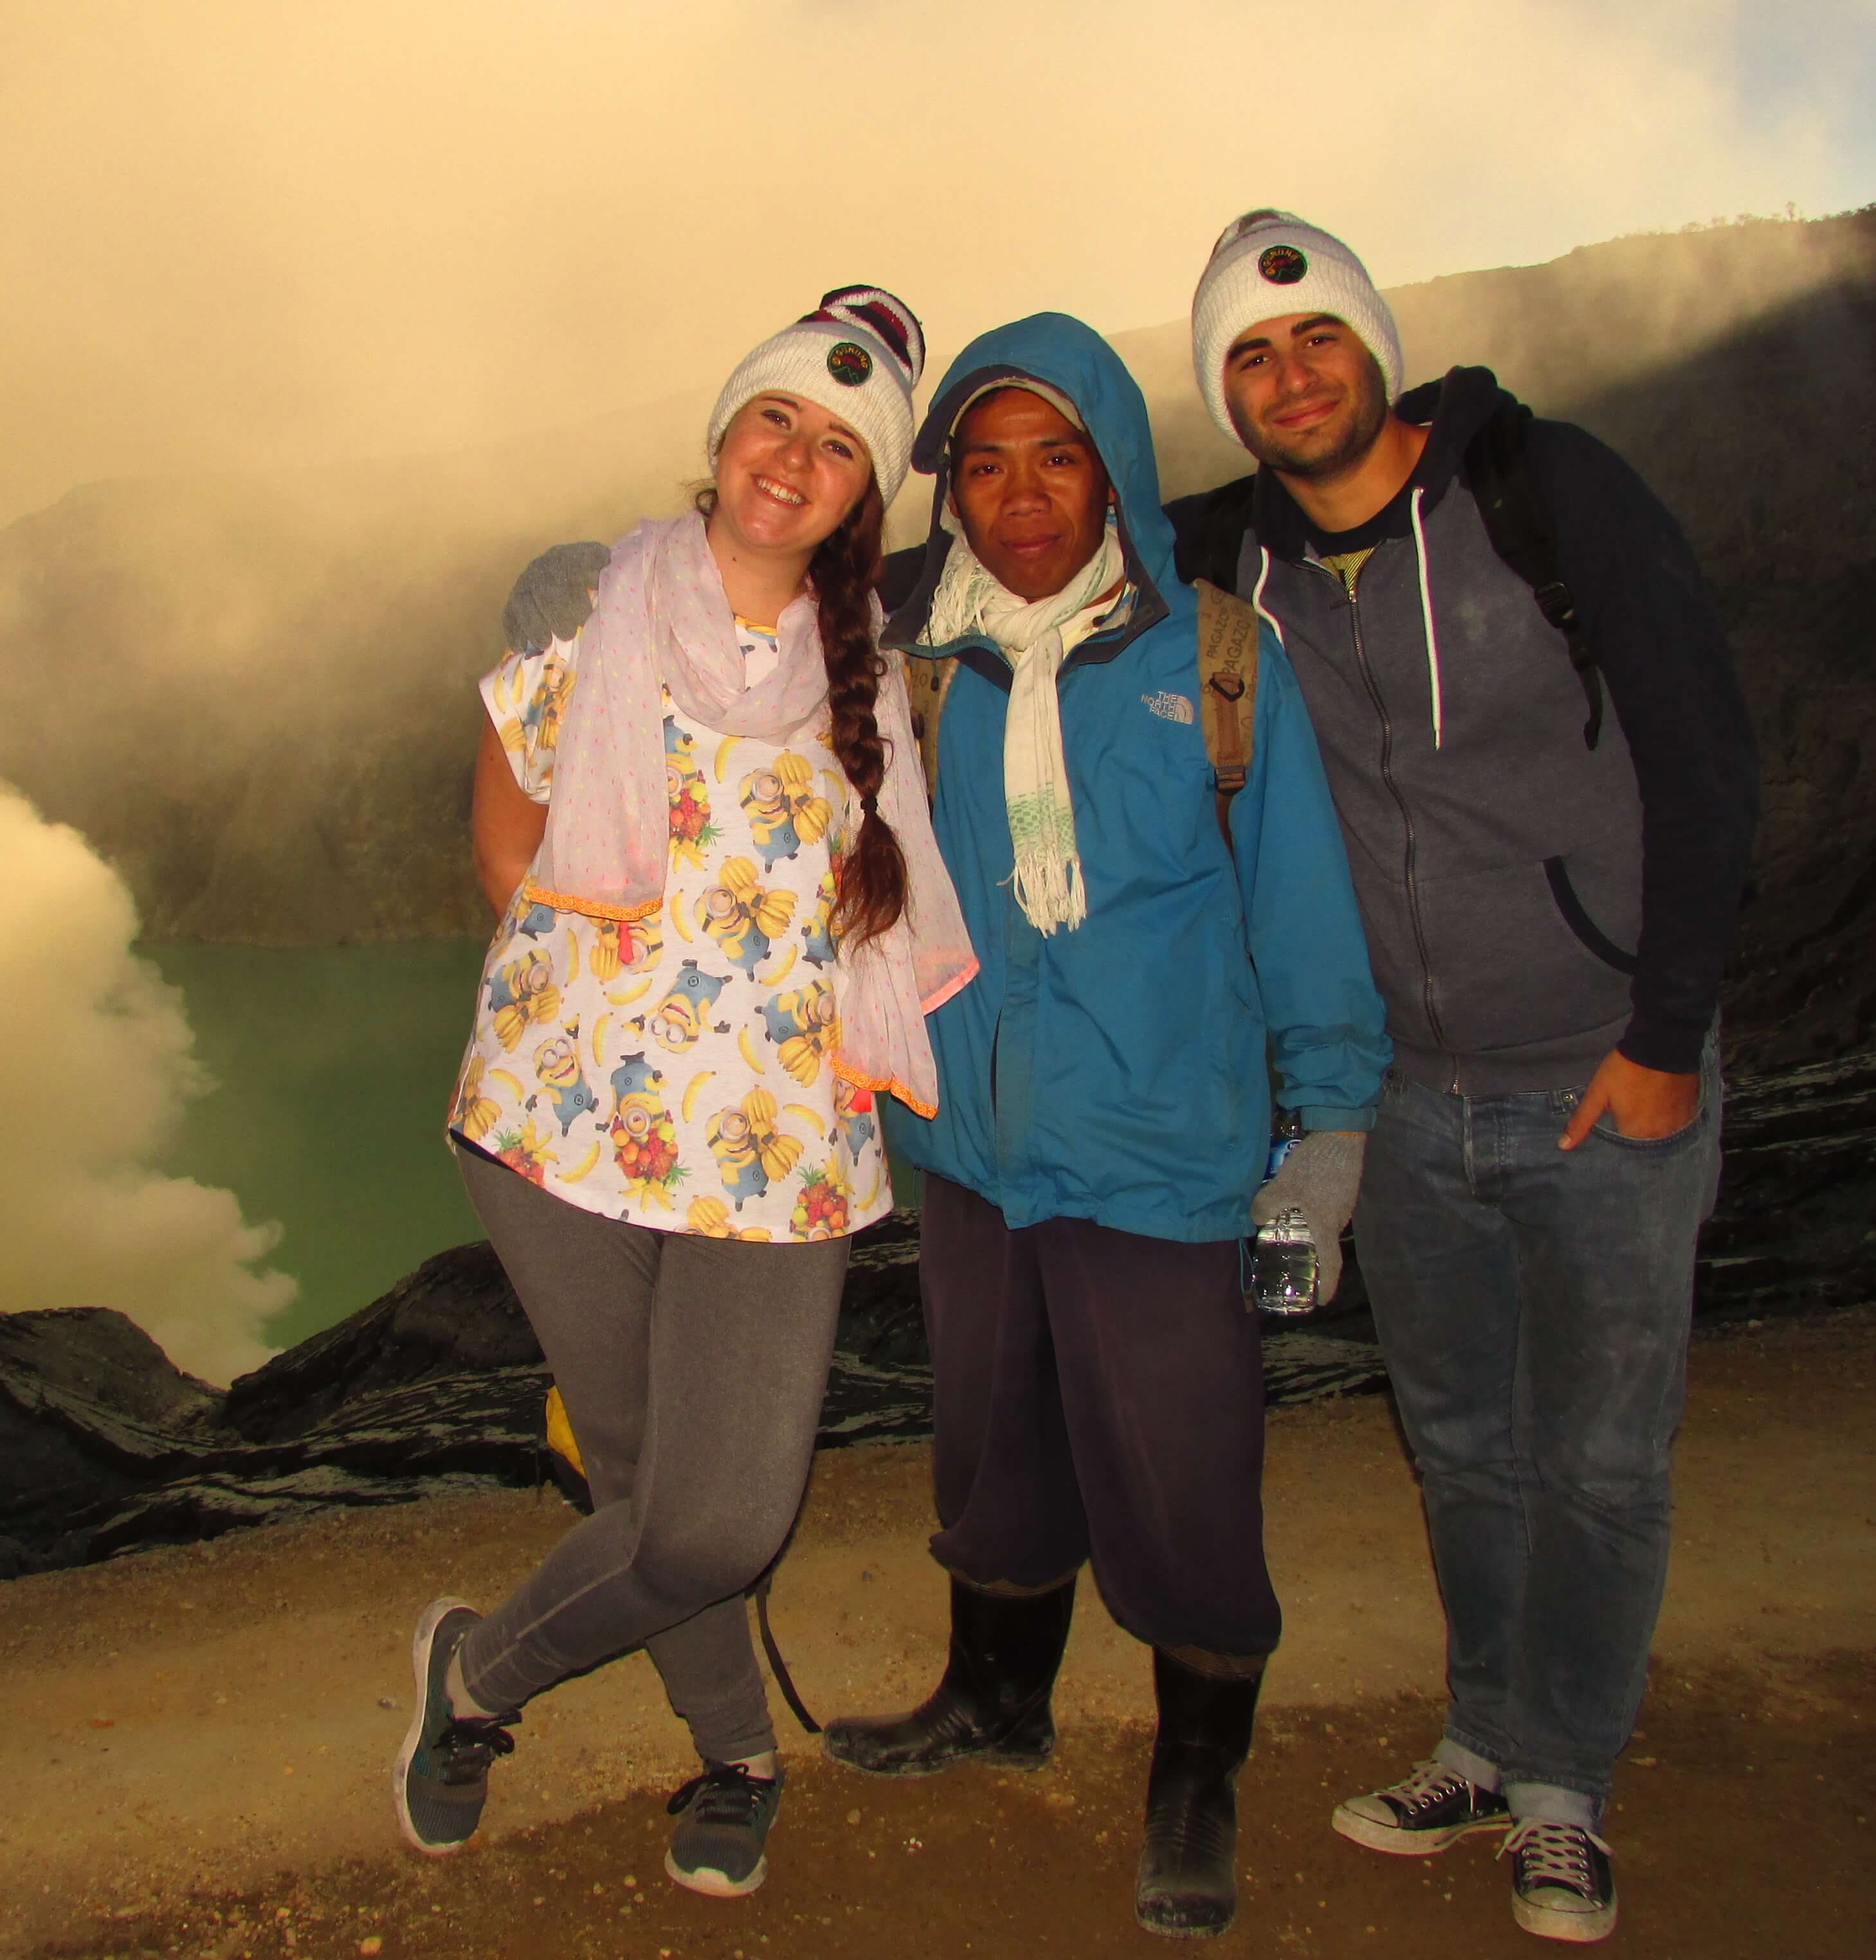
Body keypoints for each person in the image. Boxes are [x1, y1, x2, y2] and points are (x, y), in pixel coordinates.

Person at [1172, 213, 1760, 1944]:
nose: (1290, 376)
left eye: (1314, 339)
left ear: (1375, 343)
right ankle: (1484, 1737)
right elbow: (1024, 539)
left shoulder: (1547, 492)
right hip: (1404, 1101)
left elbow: (1705, 757)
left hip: (1602, 1077)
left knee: (1600, 1460)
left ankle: (1566, 1780)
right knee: (1467, 1447)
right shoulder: (1230, 559)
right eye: (1250, 360)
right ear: (1229, 396)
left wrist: (1665, 1039)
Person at [398, 288, 977, 1902]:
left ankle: (477, 1674)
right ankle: (735, 1756)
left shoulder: (861, 666)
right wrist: (608, 1012)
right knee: (654, 1487)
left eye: (840, 447)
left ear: (865, 496)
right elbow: (509, 843)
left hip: (781, 1149)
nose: (797, 459)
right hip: (564, 1131)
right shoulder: (598, 608)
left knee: (716, 1521)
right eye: (777, 419)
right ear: (725, 436)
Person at [823, 312, 1390, 1939]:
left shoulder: (1214, 662)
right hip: (979, 1154)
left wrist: (1328, 1134)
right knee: (993, 1445)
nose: (1017, 496)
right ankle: (992, 1701)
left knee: (1183, 1470)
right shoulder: (914, 668)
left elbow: (1297, 904)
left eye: (1055, 457)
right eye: (984, 465)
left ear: (1115, 469)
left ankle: (1196, 1776)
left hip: (1166, 1156)